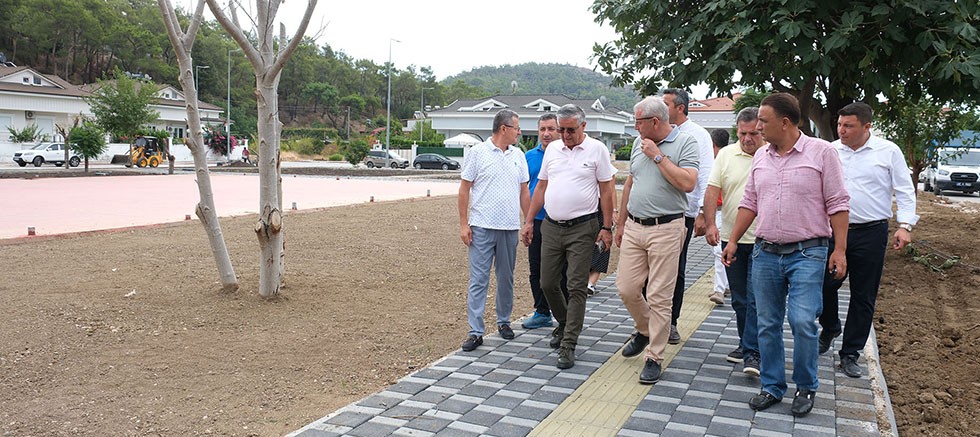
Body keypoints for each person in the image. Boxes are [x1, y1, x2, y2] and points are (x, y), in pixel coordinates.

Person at [722, 93, 849, 417]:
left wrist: (839, 249)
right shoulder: (761, 157)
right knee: (767, 323)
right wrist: (733, 240)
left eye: (764, 121)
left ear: (785, 122)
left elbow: (837, 203)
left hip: (808, 252)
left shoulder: (821, 153)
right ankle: (773, 386)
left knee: (802, 320)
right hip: (765, 252)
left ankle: (805, 385)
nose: (758, 127)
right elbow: (749, 202)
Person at [818, 102, 918, 378]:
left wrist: (905, 226)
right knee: (824, 285)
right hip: (832, 231)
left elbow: (904, 190)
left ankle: (850, 353)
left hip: (871, 232)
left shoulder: (888, 151)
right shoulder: (830, 151)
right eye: (839, 125)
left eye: (848, 126)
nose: (841, 130)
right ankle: (830, 326)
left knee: (863, 295)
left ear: (867, 126)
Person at [521, 104, 616, 369]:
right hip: (551, 226)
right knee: (547, 283)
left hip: (583, 227)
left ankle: (569, 343)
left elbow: (606, 190)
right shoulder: (553, 149)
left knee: (576, 286)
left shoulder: (597, 149)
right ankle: (564, 323)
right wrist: (529, 221)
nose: (565, 135)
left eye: (570, 130)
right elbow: (541, 186)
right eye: (561, 130)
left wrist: (607, 227)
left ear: (583, 126)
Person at [615, 96, 699, 384]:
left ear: (654, 121)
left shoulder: (685, 142)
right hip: (635, 226)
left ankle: (654, 356)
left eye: (638, 122)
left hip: (667, 227)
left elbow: (688, 183)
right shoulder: (638, 144)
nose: (635, 127)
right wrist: (621, 223)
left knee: (660, 296)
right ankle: (644, 329)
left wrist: (658, 156)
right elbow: (631, 182)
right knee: (626, 288)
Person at [458, 109, 530, 352]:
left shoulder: (518, 155)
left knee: (506, 278)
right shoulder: (478, 153)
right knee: (479, 279)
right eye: (516, 128)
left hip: (509, 227)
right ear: (503, 128)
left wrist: (528, 221)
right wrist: (463, 224)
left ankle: (504, 321)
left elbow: (524, 191)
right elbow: (464, 189)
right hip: (481, 227)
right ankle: (475, 331)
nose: (519, 132)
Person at [704, 108, 765, 377]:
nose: (748, 139)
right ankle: (746, 343)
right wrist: (710, 223)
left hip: (764, 240)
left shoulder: (771, 154)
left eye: (753, 133)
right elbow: (712, 190)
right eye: (742, 134)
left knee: (755, 299)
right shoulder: (726, 154)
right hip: (732, 239)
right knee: (740, 299)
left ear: (762, 131)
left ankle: (753, 352)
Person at [662, 88, 714, 344]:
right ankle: (648, 322)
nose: (661, 108)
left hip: (684, 213)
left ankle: (671, 322)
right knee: (650, 271)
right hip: (656, 212)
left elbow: (706, 175)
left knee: (676, 270)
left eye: (666, 104)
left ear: (680, 108)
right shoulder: (659, 131)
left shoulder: (697, 135)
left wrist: (703, 212)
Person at [522, 114, 568, 330]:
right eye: (542, 129)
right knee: (536, 269)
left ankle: (566, 316)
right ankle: (541, 311)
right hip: (537, 221)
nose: (546, 133)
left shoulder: (566, 154)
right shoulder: (529, 156)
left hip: (559, 222)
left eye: (551, 129)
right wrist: (528, 220)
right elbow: (524, 187)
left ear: (559, 130)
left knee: (563, 272)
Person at [707, 128, 730, 306]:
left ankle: (719, 289)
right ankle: (726, 285)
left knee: (719, 251)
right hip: (731, 211)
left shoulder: (716, 162)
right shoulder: (731, 159)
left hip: (721, 212)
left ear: (713, 144)